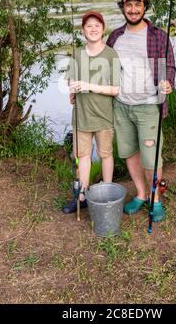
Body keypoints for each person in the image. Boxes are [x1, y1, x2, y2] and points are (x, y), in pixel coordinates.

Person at [106, 0, 176, 222]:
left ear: (145, 7)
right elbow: (106, 69)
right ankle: (141, 193)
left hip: (148, 106)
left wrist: (168, 83)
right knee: (129, 153)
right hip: (121, 105)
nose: (133, 9)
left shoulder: (158, 36)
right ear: (123, 8)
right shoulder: (115, 37)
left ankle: (155, 200)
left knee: (151, 158)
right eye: (129, 5)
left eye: (138, 4)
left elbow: (170, 67)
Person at [62, 11, 120, 214]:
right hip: (81, 116)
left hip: (104, 116)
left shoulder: (111, 54)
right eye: (89, 26)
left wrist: (88, 85)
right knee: (83, 156)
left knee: (106, 155)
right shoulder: (77, 53)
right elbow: (70, 80)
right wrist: (71, 90)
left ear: (103, 29)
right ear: (83, 31)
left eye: (97, 25)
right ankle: (82, 196)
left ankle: (107, 195)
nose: (93, 29)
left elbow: (115, 89)